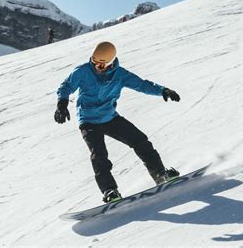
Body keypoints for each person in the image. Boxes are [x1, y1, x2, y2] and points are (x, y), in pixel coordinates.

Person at [55, 41, 181, 203]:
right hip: (88, 120)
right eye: (94, 64)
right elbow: (66, 86)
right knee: (99, 155)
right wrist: (62, 104)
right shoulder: (83, 71)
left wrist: (163, 90)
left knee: (140, 141)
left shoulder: (120, 75)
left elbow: (141, 84)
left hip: (110, 117)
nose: (96, 68)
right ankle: (110, 191)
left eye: (101, 66)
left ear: (110, 64)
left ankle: (160, 174)